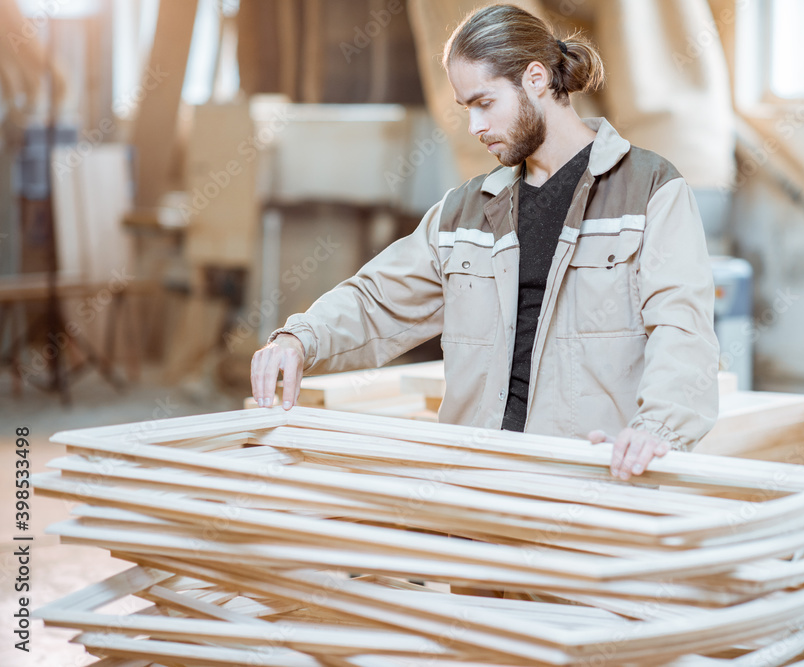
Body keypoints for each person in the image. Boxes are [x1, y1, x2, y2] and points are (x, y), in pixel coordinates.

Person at [251, 3, 720, 480]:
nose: (473, 127)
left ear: (535, 79)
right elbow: (377, 300)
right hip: (475, 481)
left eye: (484, 103)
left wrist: (657, 429)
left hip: (586, 480)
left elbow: (683, 331)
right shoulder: (465, 211)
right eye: (466, 108)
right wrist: (298, 338)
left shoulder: (650, 190)